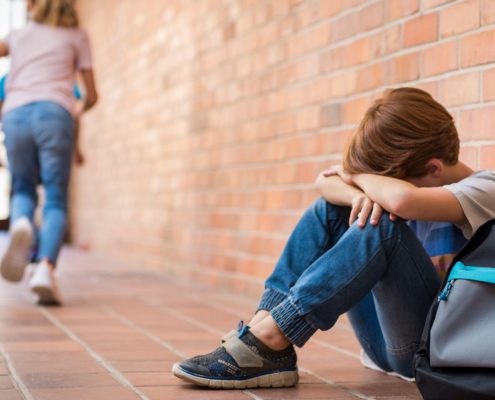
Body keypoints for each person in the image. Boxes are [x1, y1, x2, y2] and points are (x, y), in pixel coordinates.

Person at [172, 87, 495, 388]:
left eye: (385, 181)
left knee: (382, 227)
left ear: (434, 169)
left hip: (429, 350)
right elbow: (324, 183)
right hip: (380, 344)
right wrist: (353, 191)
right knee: (331, 210)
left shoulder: (485, 189)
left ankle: (272, 336)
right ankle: (264, 329)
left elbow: (401, 200)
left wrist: (354, 177)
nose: (377, 187)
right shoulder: (407, 185)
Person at [0, 0, 98, 305]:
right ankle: (44, 268)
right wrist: (76, 110)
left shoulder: (16, 35)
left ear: (30, 4)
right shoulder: (76, 35)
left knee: (23, 190)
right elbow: (92, 95)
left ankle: (21, 223)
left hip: (14, 113)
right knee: (55, 197)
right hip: (55, 112)